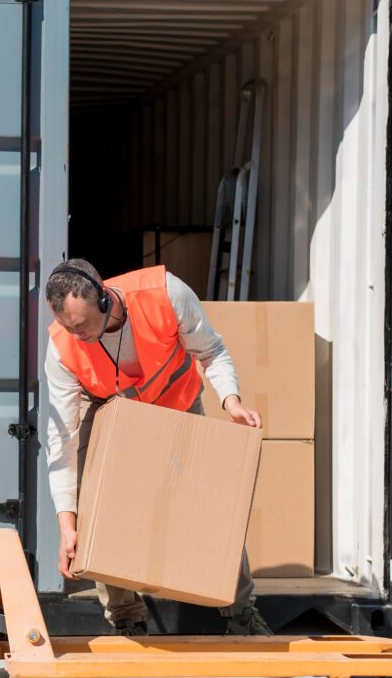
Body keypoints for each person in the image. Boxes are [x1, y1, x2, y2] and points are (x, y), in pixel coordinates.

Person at [44, 258, 272, 636]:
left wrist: (231, 401)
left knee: (210, 504)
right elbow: (61, 440)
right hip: (107, 410)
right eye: (68, 327)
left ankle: (241, 612)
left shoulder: (166, 293)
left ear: (103, 300)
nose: (77, 335)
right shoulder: (61, 346)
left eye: (82, 325)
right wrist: (67, 524)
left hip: (177, 403)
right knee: (98, 504)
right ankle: (126, 617)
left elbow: (211, 351)